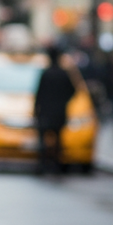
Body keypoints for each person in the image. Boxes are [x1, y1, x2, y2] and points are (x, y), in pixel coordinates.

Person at [34, 47, 75, 175]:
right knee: (58, 139)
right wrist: (63, 101)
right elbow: (73, 90)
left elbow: (39, 93)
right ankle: (56, 164)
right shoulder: (63, 74)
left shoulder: (46, 73)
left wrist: (36, 109)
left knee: (43, 140)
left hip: (45, 112)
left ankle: (43, 165)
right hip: (59, 112)